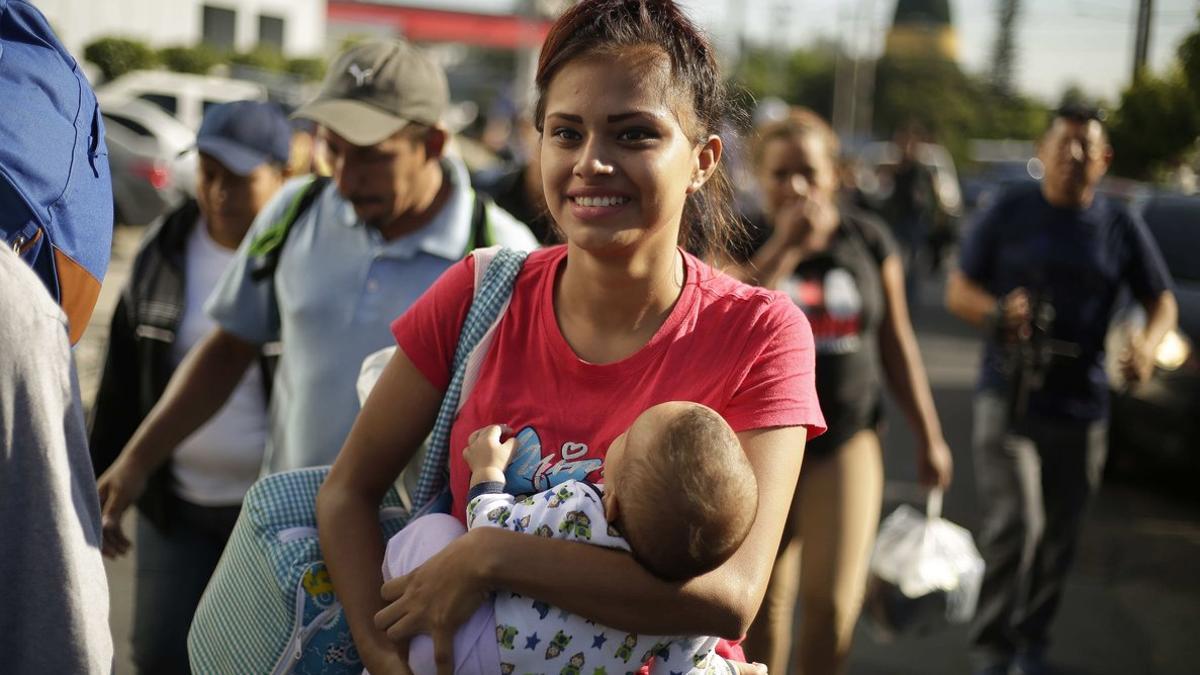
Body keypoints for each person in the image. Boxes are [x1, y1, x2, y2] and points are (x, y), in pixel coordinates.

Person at [316, 2, 826, 674]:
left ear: (702, 160)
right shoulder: (478, 293)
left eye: (634, 134)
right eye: (565, 132)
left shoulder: (761, 334)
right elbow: (347, 491)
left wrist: (489, 553)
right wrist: (384, 656)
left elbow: (728, 596)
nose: (592, 163)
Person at [92, 39, 538, 551]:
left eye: (371, 157)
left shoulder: (499, 253)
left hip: (405, 558)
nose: (345, 179)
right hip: (283, 538)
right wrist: (136, 461)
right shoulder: (294, 210)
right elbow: (229, 348)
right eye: (334, 148)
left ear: (434, 144)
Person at [945, 104, 1177, 675]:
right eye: (1063, 144)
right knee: (1019, 526)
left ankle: (1031, 647)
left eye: (1085, 146)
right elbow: (958, 290)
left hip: (1083, 407)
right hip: (1010, 395)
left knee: (1059, 542)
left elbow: (1161, 302)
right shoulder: (1009, 211)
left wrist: (1147, 346)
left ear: (1104, 159)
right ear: (1042, 151)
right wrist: (998, 311)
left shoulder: (1120, 224)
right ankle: (992, 653)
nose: (1073, 156)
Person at [727, 108, 953, 675]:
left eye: (808, 171)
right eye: (780, 174)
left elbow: (896, 342)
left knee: (831, 607)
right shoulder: (746, 235)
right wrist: (786, 248)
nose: (796, 186)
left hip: (846, 440)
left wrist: (929, 436)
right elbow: (727, 322)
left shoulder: (868, 238)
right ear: (761, 179)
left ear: (834, 175)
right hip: (759, 443)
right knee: (756, 611)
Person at [89, 100, 291, 673]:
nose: (219, 192)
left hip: (269, 517)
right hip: (172, 508)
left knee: (253, 660)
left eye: (240, 178)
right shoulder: (164, 250)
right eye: (208, 171)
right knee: (158, 653)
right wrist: (105, 481)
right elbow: (121, 384)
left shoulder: (302, 263)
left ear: (283, 177)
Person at [379, 403, 761, 674]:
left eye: (627, 439)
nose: (621, 433)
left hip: (459, 643)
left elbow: (487, 528)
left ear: (611, 504)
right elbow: (680, 671)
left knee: (436, 531)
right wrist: (728, 670)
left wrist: (487, 470)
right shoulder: (688, 613)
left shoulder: (579, 510)